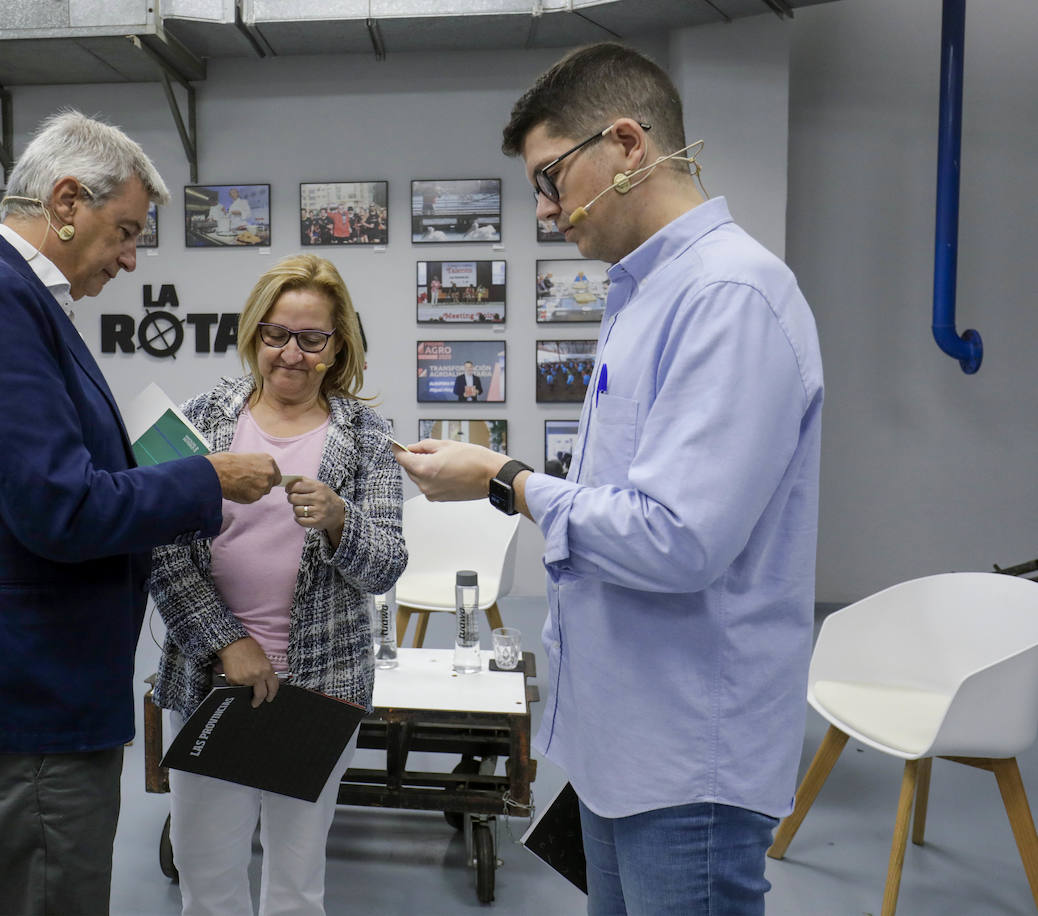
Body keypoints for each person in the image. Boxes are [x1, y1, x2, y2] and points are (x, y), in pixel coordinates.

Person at [394, 42, 823, 915]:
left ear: (627, 143)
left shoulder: (729, 296)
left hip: (685, 760)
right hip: (618, 744)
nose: (548, 211)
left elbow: (676, 539)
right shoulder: (644, 296)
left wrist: (505, 480)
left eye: (552, 179)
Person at [0, 110, 281, 916]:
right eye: (124, 231)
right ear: (66, 202)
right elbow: (57, 508)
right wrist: (206, 479)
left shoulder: (1, 296)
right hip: (24, 706)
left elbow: (31, 483)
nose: (130, 259)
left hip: (22, 689)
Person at [149, 253, 407, 916]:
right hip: (213, 687)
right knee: (209, 885)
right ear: (254, 334)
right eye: (276, 334)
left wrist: (340, 521)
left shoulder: (367, 436)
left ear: (337, 345)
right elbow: (161, 553)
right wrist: (227, 644)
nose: (290, 354)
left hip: (318, 695)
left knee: (296, 890)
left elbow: (385, 566)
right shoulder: (200, 421)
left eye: (311, 338)